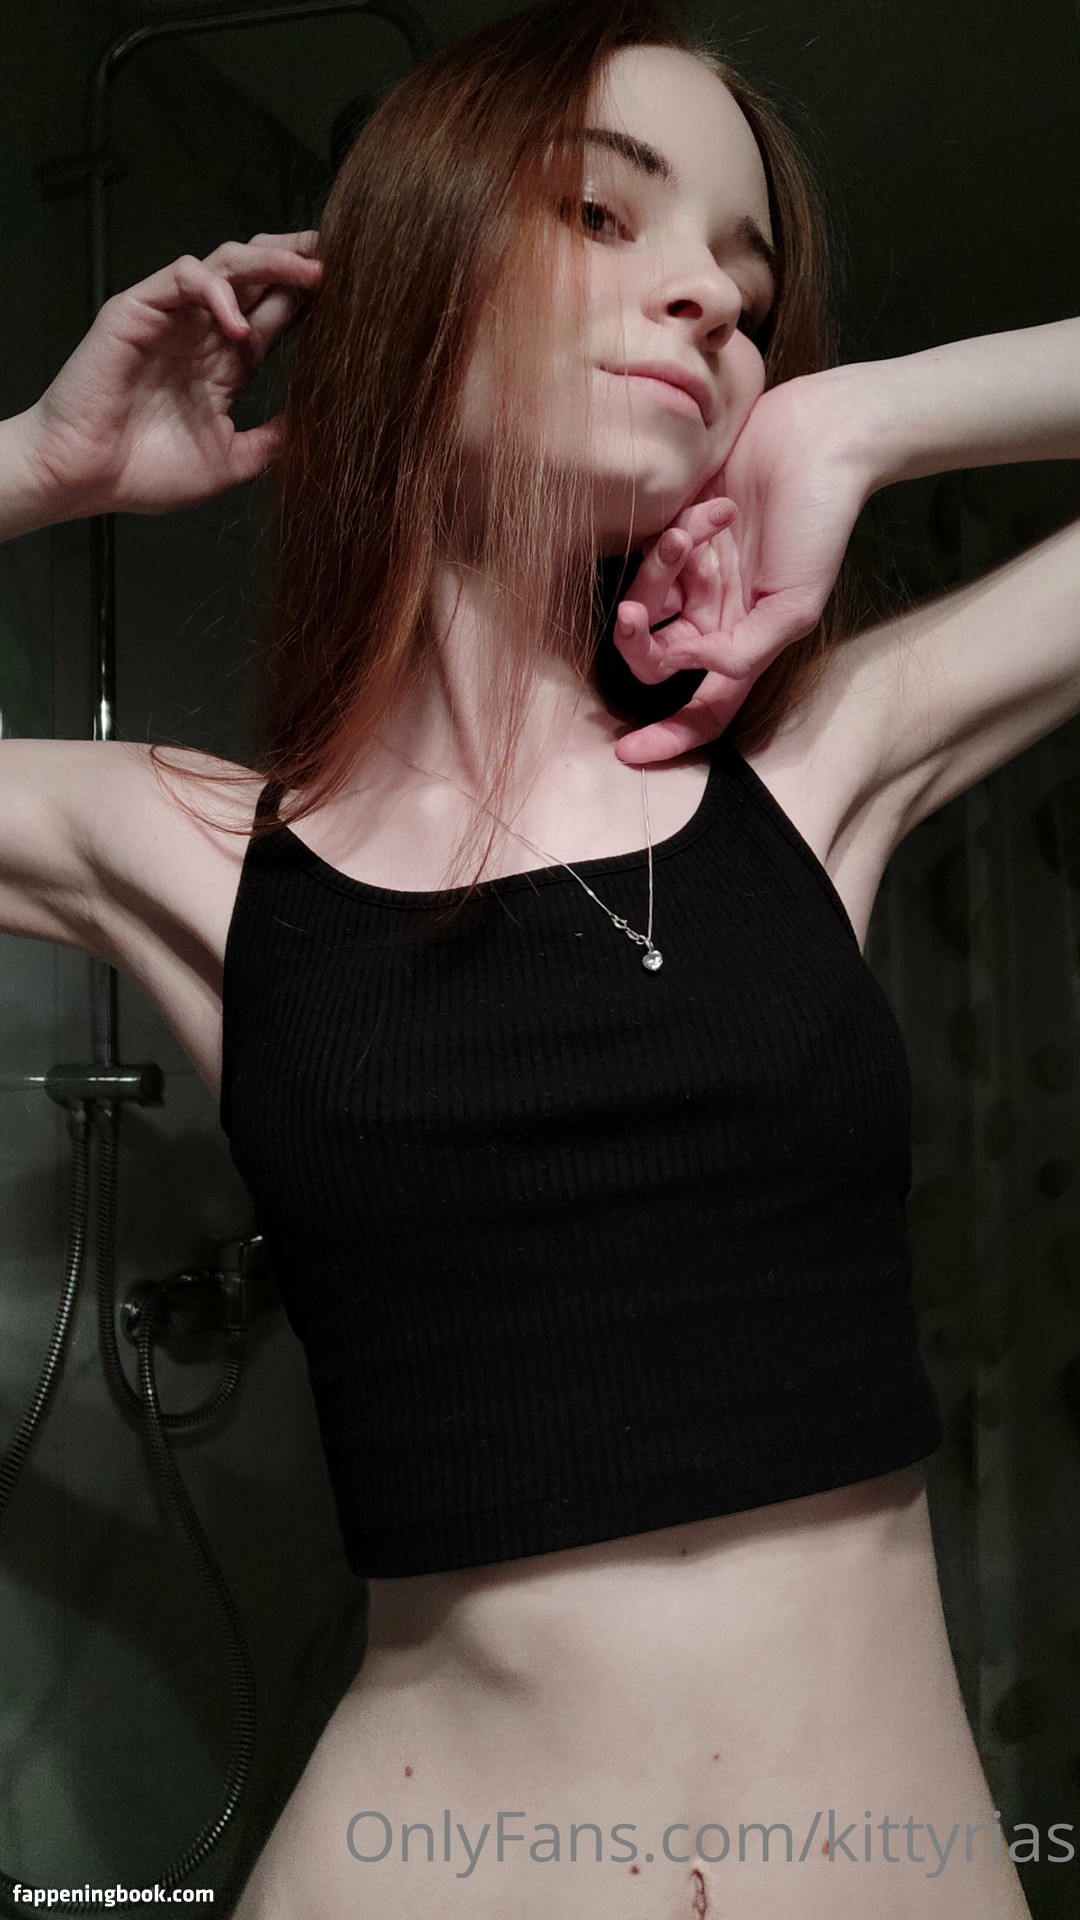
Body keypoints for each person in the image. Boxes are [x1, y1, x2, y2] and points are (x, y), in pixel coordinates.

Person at [2, 0, 1077, 1913]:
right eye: (601, 213)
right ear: (416, 269)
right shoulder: (200, 858)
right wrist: (34, 462)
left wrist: (861, 414)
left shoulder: (819, 777)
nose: (711, 302)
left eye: (750, 290)